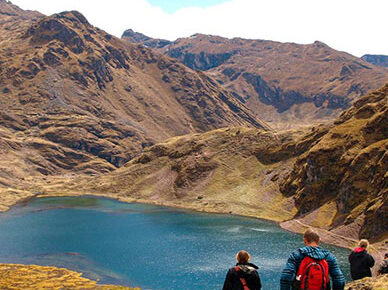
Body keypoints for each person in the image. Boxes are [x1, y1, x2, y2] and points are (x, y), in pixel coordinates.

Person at [280, 228, 345, 290]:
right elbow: (339, 279)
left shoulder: (297, 255)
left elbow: (286, 277)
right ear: (319, 240)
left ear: (304, 240)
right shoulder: (328, 256)